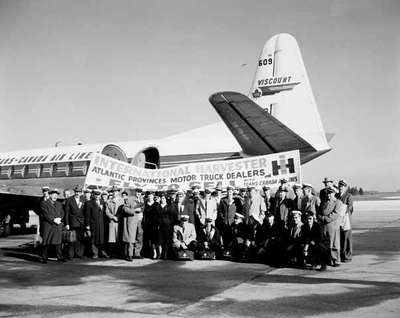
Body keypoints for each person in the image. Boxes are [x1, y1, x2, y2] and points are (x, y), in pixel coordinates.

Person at [317, 187, 342, 267]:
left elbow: (336, 213)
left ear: (334, 193)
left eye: (330, 193)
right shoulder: (323, 202)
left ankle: (336, 260)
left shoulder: (338, 202)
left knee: (334, 243)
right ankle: (328, 259)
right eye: (327, 193)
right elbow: (319, 212)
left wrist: (325, 218)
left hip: (333, 226)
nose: (328, 195)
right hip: (324, 226)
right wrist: (320, 217)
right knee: (325, 244)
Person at [39, 188, 65, 263]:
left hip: (57, 225)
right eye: (53, 195)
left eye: (56, 195)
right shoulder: (44, 203)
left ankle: (60, 257)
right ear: (50, 195)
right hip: (48, 225)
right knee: (46, 241)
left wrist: (60, 218)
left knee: (58, 241)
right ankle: (44, 258)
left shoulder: (59, 204)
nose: (55, 196)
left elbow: (62, 212)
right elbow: (45, 214)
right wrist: (53, 220)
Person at [84, 189, 109, 259]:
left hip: (102, 224)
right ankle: (95, 253)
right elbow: (87, 216)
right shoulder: (89, 203)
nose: (97, 196)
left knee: (102, 239)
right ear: (93, 195)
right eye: (96, 195)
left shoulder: (103, 202)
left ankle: (103, 252)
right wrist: (87, 226)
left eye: (98, 195)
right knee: (94, 239)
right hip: (93, 224)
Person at [121, 189, 144, 261]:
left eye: (140, 192)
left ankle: (137, 254)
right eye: (137, 192)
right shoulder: (130, 199)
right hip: (132, 221)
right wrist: (134, 211)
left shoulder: (142, 200)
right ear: (135, 193)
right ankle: (129, 255)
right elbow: (125, 208)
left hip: (140, 221)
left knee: (139, 237)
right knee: (131, 238)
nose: (139, 194)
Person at [64, 185, 85, 259]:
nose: (77, 193)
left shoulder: (83, 199)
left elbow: (85, 212)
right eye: (76, 192)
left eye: (79, 192)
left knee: (80, 239)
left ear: (81, 192)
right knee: (72, 239)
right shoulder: (69, 200)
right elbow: (66, 213)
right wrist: (67, 223)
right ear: (74, 192)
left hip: (81, 222)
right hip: (73, 222)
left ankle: (79, 254)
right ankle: (71, 255)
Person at [336, 179, 354, 263]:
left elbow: (349, 207)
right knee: (340, 238)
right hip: (338, 220)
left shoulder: (349, 196)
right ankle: (341, 255)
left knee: (347, 238)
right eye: (340, 186)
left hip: (346, 220)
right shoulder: (336, 195)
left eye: (343, 186)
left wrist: (339, 210)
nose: (341, 187)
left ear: (345, 187)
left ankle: (347, 256)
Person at [157, 192, 178, 259]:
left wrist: (171, 224)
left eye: (163, 198)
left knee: (166, 241)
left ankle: (165, 254)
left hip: (167, 226)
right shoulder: (157, 207)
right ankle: (159, 254)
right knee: (159, 241)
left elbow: (172, 216)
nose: (162, 199)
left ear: (166, 199)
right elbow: (155, 217)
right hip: (159, 225)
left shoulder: (169, 207)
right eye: (161, 198)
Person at [143, 191, 160, 259]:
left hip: (155, 224)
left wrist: (158, 223)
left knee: (155, 239)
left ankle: (156, 253)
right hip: (147, 224)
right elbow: (144, 215)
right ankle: (150, 253)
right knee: (148, 239)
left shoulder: (156, 204)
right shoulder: (145, 204)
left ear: (153, 197)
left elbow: (159, 215)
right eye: (149, 196)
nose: (150, 197)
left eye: (151, 196)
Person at [104, 191, 121, 257]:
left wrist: (118, 217)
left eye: (116, 191)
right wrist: (113, 217)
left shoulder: (121, 200)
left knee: (119, 238)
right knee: (112, 238)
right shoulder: (109, 202)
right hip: (112, 221)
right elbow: (107, 212)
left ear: (118, 192)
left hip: (119, 222)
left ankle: (119, 253)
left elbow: (123, 210)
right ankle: (112, 253)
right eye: (113, 192)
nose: (115, 193)